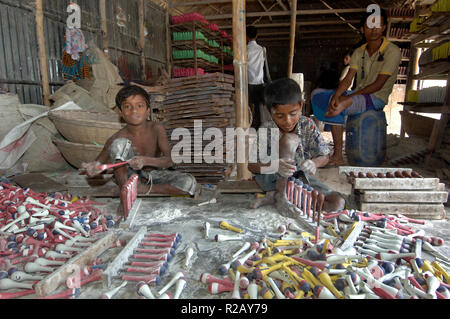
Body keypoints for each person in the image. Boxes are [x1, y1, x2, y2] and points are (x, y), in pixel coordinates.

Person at [312, 8, 401, 167]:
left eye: (378, 25)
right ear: (362, 29)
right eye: (369, 26)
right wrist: (337, 94)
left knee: (338, 105)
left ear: (384, 27)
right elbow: (347, 78)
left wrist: (347, 98)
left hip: (376, 97)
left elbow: (378, 85)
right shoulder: (359, 52)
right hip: (359, 93)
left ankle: (338, 155)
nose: (374, 30)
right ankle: (335, 143)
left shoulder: (392, 51)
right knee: (320, 95)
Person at [81, 85, 197, 203]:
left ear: (147, 110)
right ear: (120, 112)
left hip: (154, 175)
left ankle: (139, 190)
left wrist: (145, 161)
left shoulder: (156, 128)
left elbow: (170, 160)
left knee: (188, 183)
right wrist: (94, 168)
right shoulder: (116, 138)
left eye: (139, 105)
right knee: (119, 144)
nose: (134, 110)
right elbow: (99, 163)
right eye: (127, 106)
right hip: (129, 178)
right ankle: (126, 189)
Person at [248, 78, 345, 218]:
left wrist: (314, 163)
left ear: (301, 105)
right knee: (289, 140)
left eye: (293, 114)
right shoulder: (266, 129)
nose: (287, 121)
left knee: (337, 202)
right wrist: (273, 166)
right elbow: (252, 166)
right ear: (270, 111)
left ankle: (279, 196)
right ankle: (281, 194)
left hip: (299, 178)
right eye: (280, 115)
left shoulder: (308, 125)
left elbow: (324, 156)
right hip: (271, 178)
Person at [247, 25, 271, 129]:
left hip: (248, 82)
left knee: (248, 105)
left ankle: (250, 123)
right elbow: (264, 66)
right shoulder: (262, 50)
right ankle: (261, 124)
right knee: (259, 105)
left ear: (246, 36)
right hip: (259, 81)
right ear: (257, 35)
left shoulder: (244, 50)